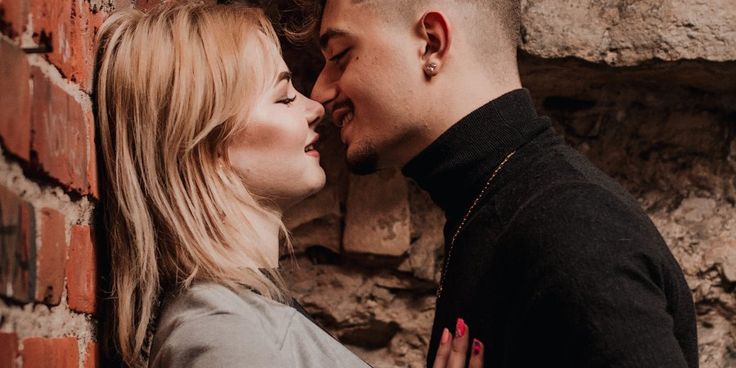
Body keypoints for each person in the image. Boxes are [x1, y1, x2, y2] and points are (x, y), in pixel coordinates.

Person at [308, 0, 699, 367]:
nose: (320, 93)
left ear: (431, 44)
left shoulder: (569, 228)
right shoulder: (492, 205)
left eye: (340, 57)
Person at [93, 1, 483, 367]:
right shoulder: (223, 340)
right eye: (283, 98)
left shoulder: (241, 316)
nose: (315, 108)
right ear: (204, 146)